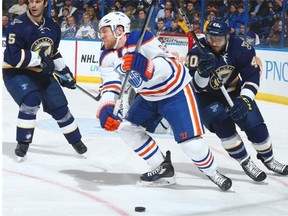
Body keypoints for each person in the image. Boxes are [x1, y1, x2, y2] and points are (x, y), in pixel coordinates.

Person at [96, 12, 232, 191]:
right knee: (127, 129)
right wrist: (107, 108)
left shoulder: (141, 38)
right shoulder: (106, 57)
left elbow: (168, 63)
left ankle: (213, 172)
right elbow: (110, 87)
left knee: (191, 144)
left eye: (104, 31)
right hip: (148, 96)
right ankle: (161, 167)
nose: (101, 35)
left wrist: (147, 67)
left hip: (175, 90)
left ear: (119, 30)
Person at [185, 19, 288, 182]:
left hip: (234, 91)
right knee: (223, 125)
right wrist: (203, 73)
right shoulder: (197, 52)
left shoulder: (241, 48)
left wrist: (245, 99)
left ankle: (269, 159)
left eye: (218, 39)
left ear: (228, 37)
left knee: (256, 127)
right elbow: (197, 86)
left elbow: (252, 77)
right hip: (206, 97)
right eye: (211, 37)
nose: (214, 43)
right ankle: (245, 161)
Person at [2, 0, 87, 161]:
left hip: (41, 72)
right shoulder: (18, 24)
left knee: (59, 105)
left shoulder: (53, 27)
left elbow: (53, 53)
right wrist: (40, 59)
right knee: (31, 99)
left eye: (38, 1)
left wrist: (65, 72)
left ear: (45, 3)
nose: (34, 5)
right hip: (16, 72)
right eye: (31, 1)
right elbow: (12, 56)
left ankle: (76, 140)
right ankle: (23, 142)